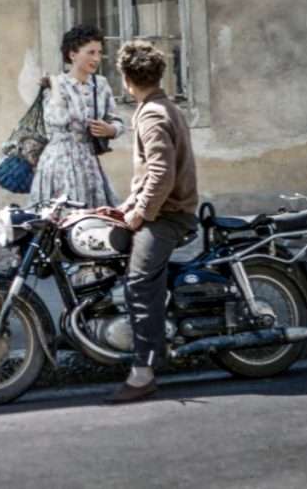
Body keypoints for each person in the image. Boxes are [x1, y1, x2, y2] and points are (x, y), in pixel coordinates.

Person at [102, 40, 199, 404]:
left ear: (126, 79)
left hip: (169, 216)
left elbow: (160, 173)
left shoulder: (153, 115)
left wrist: (140, 212)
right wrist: (124, 206)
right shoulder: (159, 107)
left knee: (140, 283)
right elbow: (149, 176)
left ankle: (143, 372)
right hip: (166, 209)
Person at [30, 25, 125, 207]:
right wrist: (55, 86)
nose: (96, 58)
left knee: (92, 223)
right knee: (62, 220)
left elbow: (117, 121)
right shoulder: (56, 85)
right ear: (72, 54)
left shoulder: (101, 84)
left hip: (89, 163)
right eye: (90, 52)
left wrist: (111, 129)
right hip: (59, 163)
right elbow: (56, 120)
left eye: (99, 52)